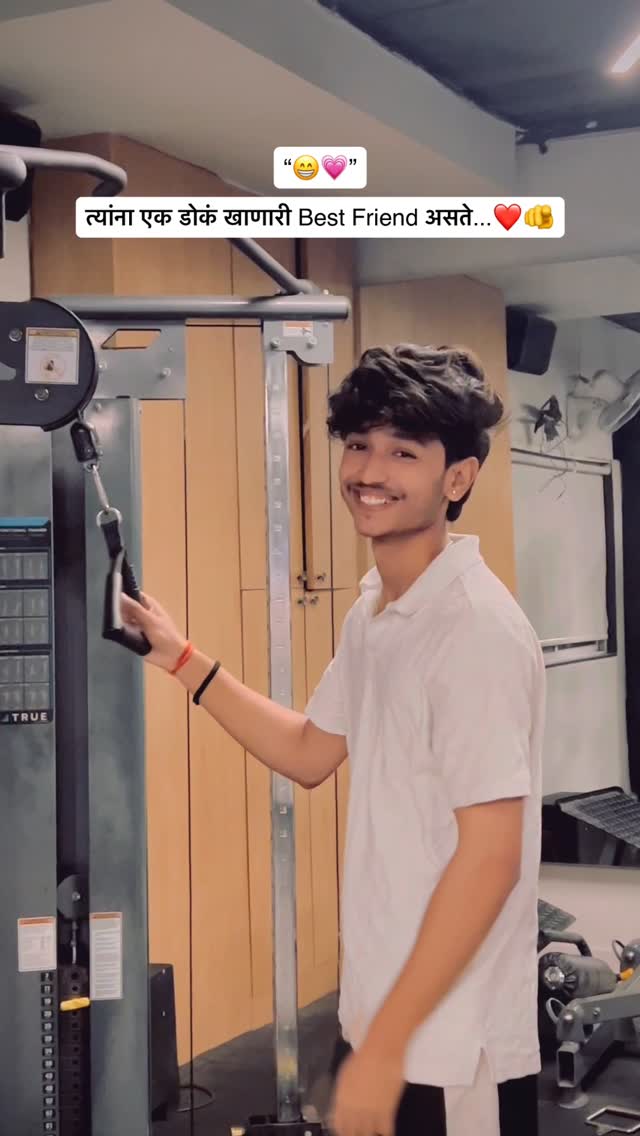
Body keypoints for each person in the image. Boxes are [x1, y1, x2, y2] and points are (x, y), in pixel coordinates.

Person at [121, 344, 545, 1136]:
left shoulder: (474, 630)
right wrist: (179, 658)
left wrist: (384, 1050)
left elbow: (492, 859)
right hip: (383, 1017)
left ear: (457, 479)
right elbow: (311, 751)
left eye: (403, 452)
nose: (369, 471)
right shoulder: (377, 612)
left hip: (452, 1048)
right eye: (358, 444)